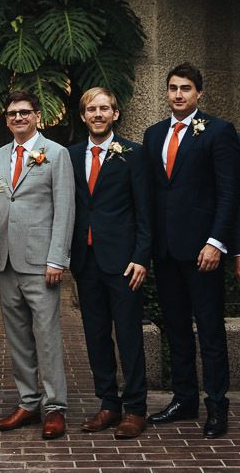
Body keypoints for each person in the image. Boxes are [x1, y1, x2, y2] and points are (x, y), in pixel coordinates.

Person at [143, 63, 239, 438]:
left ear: (199, 93)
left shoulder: (219, 132)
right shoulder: (153, 135)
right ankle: (184, 400)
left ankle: (217, 405)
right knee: (177, 328)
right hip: (165, 252)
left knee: (211, 332)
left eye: (185, 88)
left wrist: (217, 242)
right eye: (172, 88)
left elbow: (230, 193)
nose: (178, 94)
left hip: (203, 251)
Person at [68, 87, 151, 439]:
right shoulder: (70, 156)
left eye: (104, 108)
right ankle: (108, 404)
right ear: (83, 116)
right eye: (91, 109)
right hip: (86, 262)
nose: (98, 114)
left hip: (123, 263)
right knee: (96, 335)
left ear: (115, 114)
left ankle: (135, 409)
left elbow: (146, 212)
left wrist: (141, 258)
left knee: (129, 334)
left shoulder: (134, 154)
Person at [0, 90, 75, 440]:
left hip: (42, 262)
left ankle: (55, 407)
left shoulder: (56, 154)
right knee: (17, 337)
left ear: (38, 116)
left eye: (24, 113)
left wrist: (57, 258)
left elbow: (65, 208)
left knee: (46, 336)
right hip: (7, 259)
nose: (18, 118)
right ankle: (28, 401)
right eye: (12, 114)